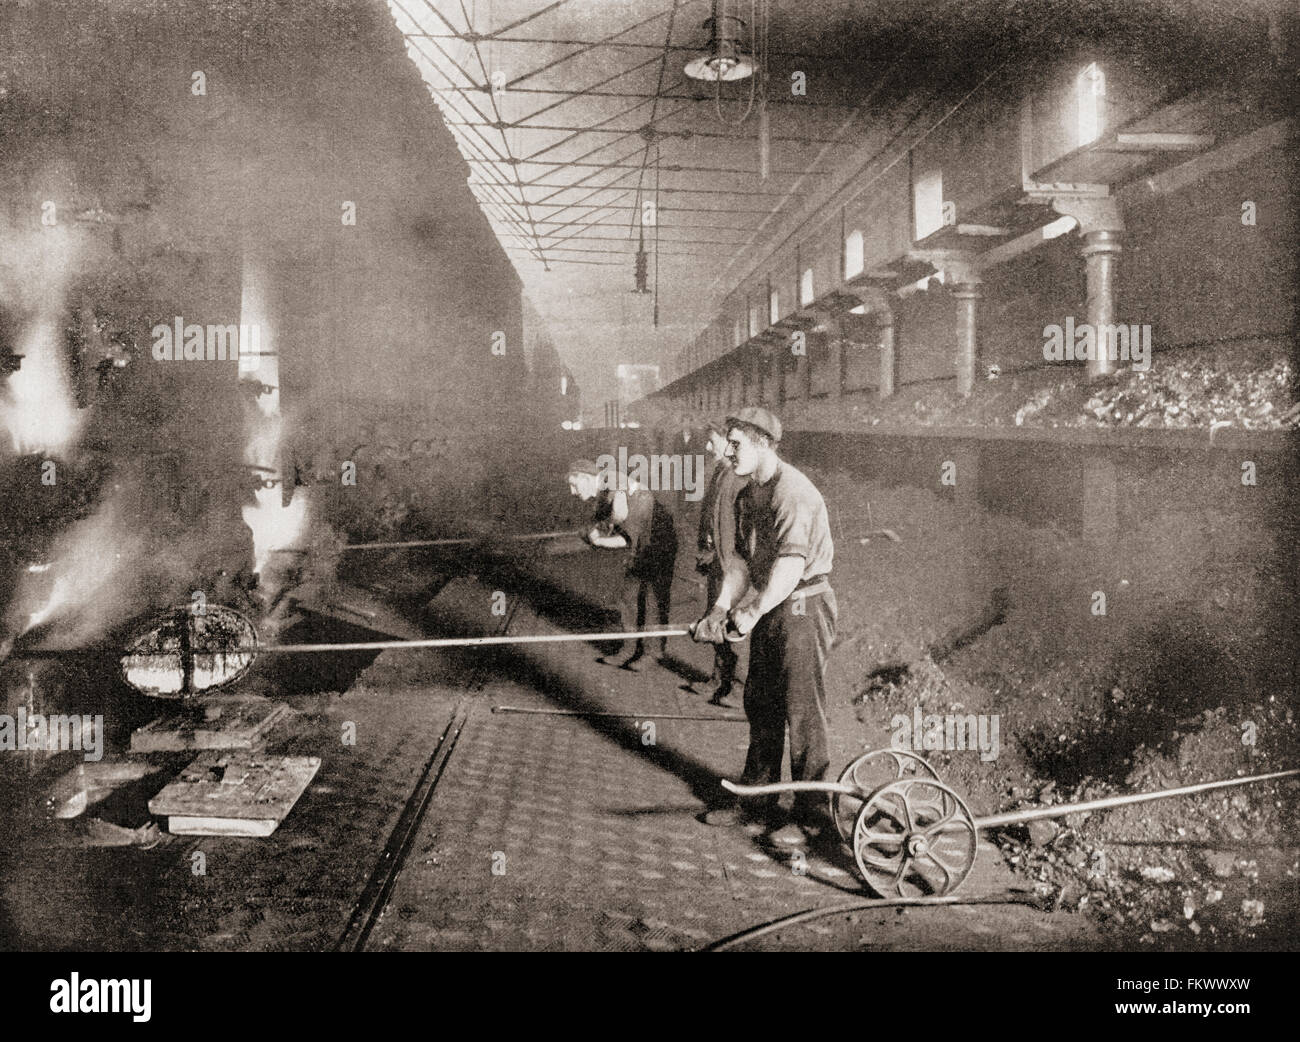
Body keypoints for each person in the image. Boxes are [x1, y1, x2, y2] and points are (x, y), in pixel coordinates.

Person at [691, 407, 836, 846]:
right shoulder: (746, 494)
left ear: (762, 444)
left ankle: (815, 818)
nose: (728, 451)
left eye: (735, 444)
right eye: (729, 443)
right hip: (773, 604)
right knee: (760, 700)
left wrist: (751, 612)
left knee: (802, 710)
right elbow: (738, 562)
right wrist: (719, 609)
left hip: (804, 606)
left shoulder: (792, 492)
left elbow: (791, 566)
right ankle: (757, 800)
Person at [568, 458, 678, 669]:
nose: (573, 492)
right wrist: (593, 531)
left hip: (658, 542)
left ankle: (652, 653)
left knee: (651, 599)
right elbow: (604, 521)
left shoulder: (612, 482)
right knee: (628, 597)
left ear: (586, 478)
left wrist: (599, 539)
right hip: (639, 541)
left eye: (574, 485)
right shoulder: (603, 490)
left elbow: (623, 530)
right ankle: (629, 649)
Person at [695, 420, 746, 705]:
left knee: (735, 624)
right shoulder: (720, 472)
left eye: (712, 440)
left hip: (734, 565)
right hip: (717, 559)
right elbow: (710, 515)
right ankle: (718, 680)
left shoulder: (740, 478)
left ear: (729, 443)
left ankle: (739, 688)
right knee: (715, 617)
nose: (707, 446)